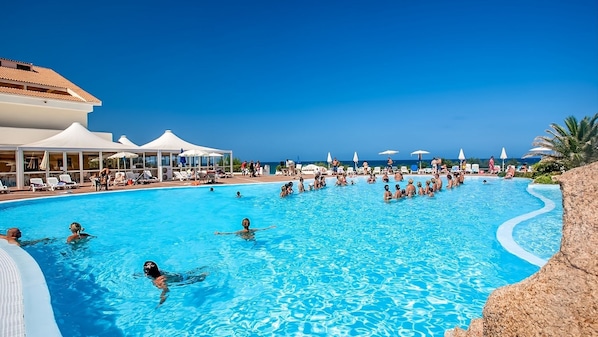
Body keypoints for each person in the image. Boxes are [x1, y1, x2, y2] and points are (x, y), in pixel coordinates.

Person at [143, 261, 207, 306]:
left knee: (199, 279)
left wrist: (162, 297)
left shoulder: (159, 281)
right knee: (191, 273)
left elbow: (166, 290)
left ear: (147, 274)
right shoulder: (160, 272)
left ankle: (205, 274)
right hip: (179, 275)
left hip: (181, 280)